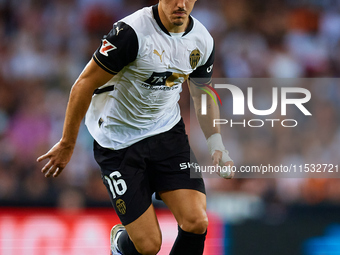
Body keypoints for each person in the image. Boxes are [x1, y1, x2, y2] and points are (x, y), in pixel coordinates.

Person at [37, 0, 234, 254]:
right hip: (118, 142)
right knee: (149, 245)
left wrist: (216, 143)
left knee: (197, 221)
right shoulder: (131, 33)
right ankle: (121, 242)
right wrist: (68, 142)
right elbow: (84, 84)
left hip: (166, 133)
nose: (182, 4)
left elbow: (201, 93)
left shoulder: (202, 40)